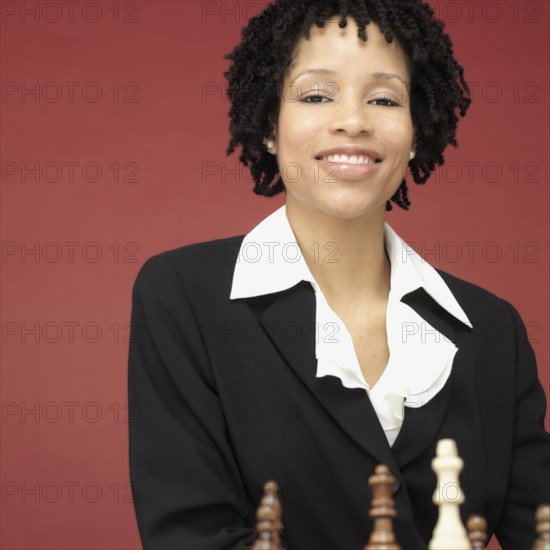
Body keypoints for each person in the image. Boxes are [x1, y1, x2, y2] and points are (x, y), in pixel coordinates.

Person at [128, 1, 550, 548]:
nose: (353, 120)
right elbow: (189, 534)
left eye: (383, 98)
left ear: (416, 130)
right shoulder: (183, 296)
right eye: (316, 95)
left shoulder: (492, 329)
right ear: (268, 129)